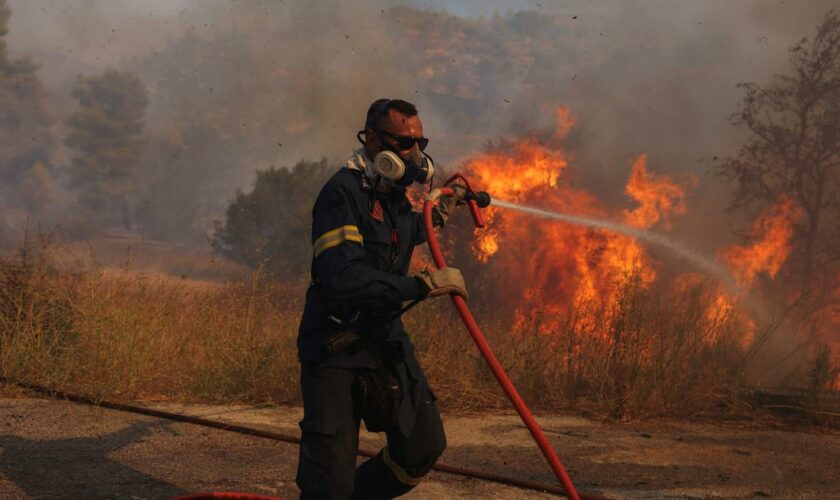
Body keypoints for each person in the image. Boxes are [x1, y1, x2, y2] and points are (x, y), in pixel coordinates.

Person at [295, 98, 468, 499]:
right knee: (329, 484)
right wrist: (421, 285)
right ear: (372, 140)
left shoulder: (391, 196)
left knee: (422, 445)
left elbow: (400, 233)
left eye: (419, 142)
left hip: (384, 339)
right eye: (404, 143)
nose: (415, 153)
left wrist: (436, 214)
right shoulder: (341, 194)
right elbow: (343, 278)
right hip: (335, 347)